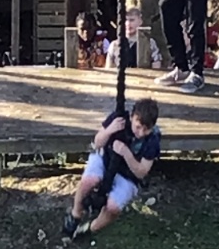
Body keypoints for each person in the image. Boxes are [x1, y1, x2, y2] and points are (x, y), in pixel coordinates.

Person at [64, 97, 161, 239]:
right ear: (132, 117)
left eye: (146, 130)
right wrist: (109, 130)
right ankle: (75, 214)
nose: (140, 133)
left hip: (128, 174)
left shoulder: (153, 139)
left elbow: (141, 172)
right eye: (138, 127)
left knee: (113, 207)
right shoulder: (118, 118)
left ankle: (89, 229)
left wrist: (126, 153)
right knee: (89, 181)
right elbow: (97, 143)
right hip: (106, 158)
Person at [106, 6, 162, 71]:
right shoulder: (114, 45)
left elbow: (157, 67)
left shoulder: (149, 43)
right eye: (125, 20)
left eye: (132, 20)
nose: (128, 23)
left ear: (140, 21)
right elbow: (109, 70)